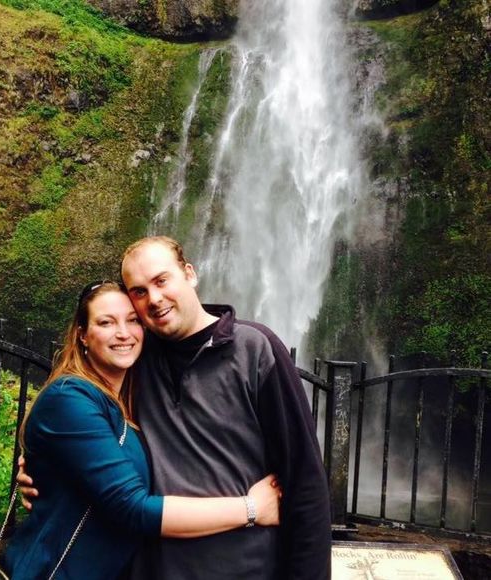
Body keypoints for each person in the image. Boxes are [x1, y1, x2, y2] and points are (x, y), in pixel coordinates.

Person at [20, 237, 332, 579]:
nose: (154, 299)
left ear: (190, 274)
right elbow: (78, 432)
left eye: (161, 280)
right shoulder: (135, 358)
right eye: (139, 291)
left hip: (245, 569)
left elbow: (304, 480)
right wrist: (44, 470)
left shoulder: (254, 349)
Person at [4, 280, 281, 580]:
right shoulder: (70, 398)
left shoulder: (132, 399)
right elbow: (132, 508)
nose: (123, 333)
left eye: (133, 320)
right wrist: (252, 509)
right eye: (106, 322)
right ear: (82, 334)